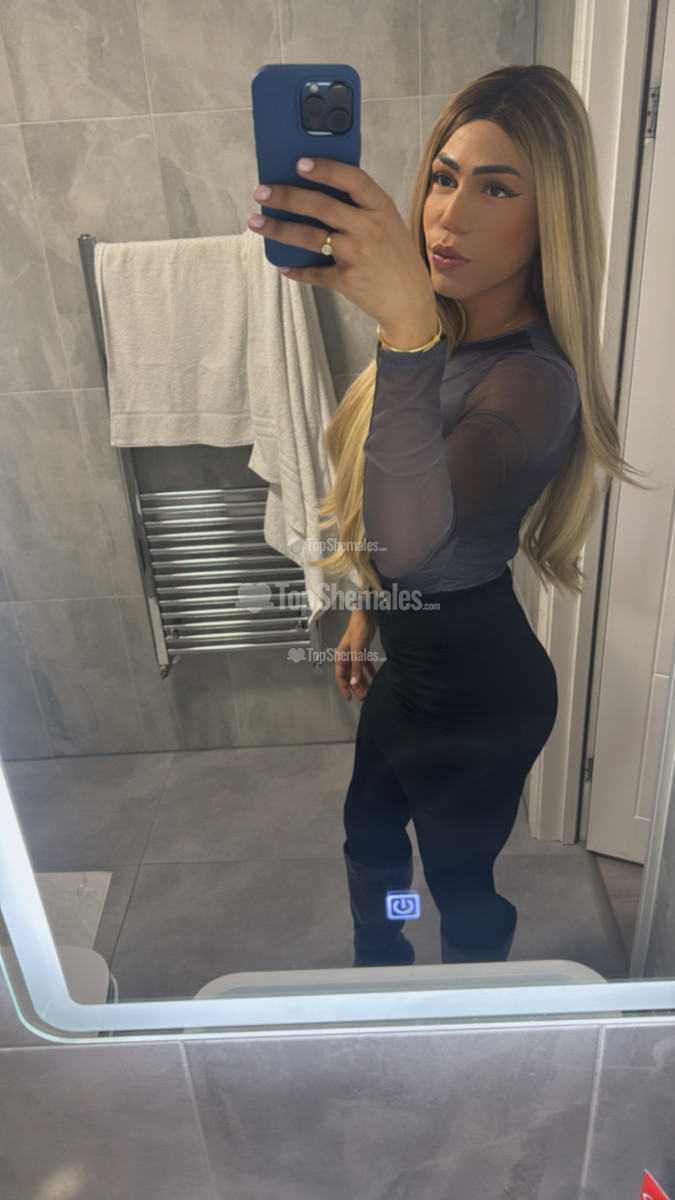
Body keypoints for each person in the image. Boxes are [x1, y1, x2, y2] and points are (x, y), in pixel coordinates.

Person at [247, 64, 650, 967]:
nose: (447, 217)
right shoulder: (447, 332)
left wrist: (405, 333)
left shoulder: (532, 379)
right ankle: (384, 966)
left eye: (496, 188)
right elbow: (393, 531)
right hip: (413, 666)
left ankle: (469, 1004)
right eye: (442, 177)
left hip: (482, 693)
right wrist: (366, 612)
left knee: (458, 881)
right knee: (370, 838)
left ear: (550, 219)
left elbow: (413, 544)